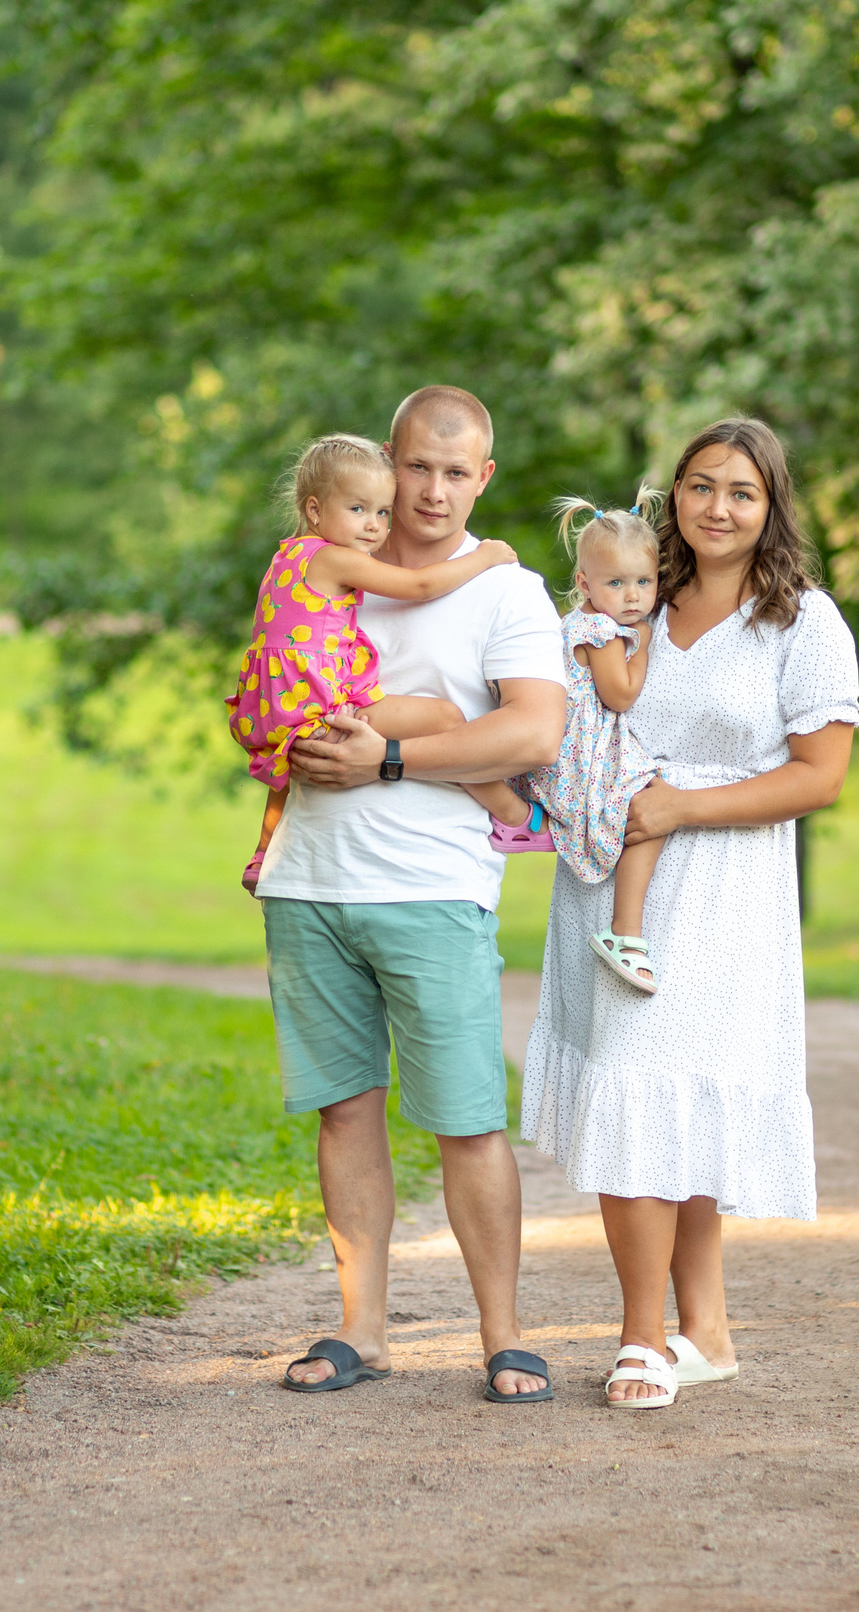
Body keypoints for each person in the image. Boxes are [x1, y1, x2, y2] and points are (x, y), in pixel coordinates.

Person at [521, 417, 859, 1411]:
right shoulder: (634, 599)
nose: (717, 506)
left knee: (662, 1086)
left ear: (770, 510)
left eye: (741, 492)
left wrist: (680, 805)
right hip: (610, 877)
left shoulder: (802, 624)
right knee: (649, 1093)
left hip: (725, 887)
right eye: (700, 486)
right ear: (673, 496)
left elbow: (820, 776)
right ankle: (700, 1332)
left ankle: (644, 1338)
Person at [256, 384, 567, 1403]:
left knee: (466, 1119)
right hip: (309, 881)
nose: (431, 492)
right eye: (415, 469)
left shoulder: (505, 592)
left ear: (485, 476)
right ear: (386, 465)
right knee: (344, 1114)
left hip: (434, 890)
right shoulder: (335, 563)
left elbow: (530, 736)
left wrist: (387, 757)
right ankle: (360, 1331)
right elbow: (278, 690)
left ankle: (504, 1336)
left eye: (454, 471)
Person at [226, 433, 532, 893]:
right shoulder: (334, 559)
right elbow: (421, 587)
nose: (373, 525)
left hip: (280, 707)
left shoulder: (283, 558)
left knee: (285, 778)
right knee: (446, 717)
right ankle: (514, 816)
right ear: (314, 511)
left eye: (382, 512)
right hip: (320, 705)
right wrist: (484, 557)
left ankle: (263, 852)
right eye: (357, 510)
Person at [521, 498, 671, 994]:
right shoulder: (603, 633)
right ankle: (626, 932)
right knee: (652, 800)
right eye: (616, 583)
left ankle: (523, 819)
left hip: (575, 742)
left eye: (643, 582)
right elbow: (620, 694)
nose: (632, 596)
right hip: (586, 752)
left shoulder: (581, 621)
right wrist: (643, 645)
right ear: (585, 583)